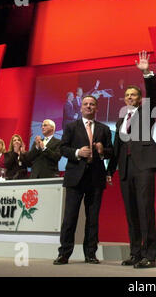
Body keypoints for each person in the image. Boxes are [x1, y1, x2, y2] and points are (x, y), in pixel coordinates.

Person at [107, 51, 156, 269]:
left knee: (145, 210)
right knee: (131, 213)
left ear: (140, 99)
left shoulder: (147, 112)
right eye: (127, 95)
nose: (130, 97)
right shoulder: (121, 119)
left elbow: (154, 95)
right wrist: (109, 171)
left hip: (144, 166)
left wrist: (147, 72)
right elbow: (117, 147)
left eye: (134, 95)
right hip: (126, 169)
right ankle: (136, 253)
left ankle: (150, 255)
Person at [54, 95, 113, 265]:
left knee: (93, 218)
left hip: (96, 178)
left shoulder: (104, 129)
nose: (88, 106)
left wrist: (102, 150)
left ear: (96, 108)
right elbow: (63, 148)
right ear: (81, 108)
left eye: (92, 104)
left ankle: (91, 254)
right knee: (70, 217)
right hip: (75, 178)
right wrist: (77, 152)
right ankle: (64, 254)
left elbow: (111, 152)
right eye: (86, 104)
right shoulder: (71, 126)